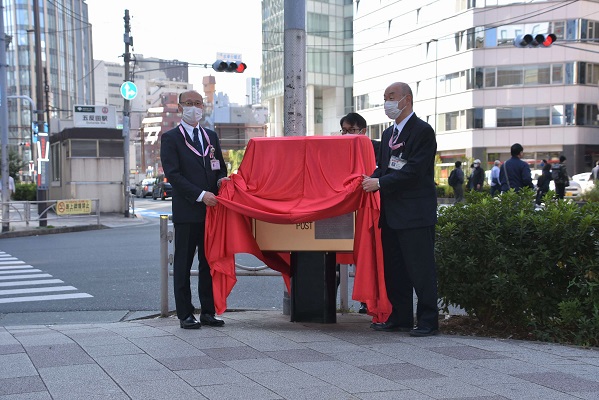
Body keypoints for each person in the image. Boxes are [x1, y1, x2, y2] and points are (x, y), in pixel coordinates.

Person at [362, 82, 438, 337]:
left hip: (416, 214)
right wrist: (369, 178)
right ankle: (400, 316)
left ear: (407, 99)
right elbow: (385, 167)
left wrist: (380, 182)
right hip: (392, 213)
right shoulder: (387, 134)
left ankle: (428, 320)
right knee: (396, 269)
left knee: (421, 269)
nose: (387, 103)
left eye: (391, 97)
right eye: (385, 98)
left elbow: (414, 170)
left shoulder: (422, 131)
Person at [160, 90, 228, 329]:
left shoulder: (210, 136)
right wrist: (201, 195)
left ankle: (208, 311)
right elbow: (174, 175)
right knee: (183, 264)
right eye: (189, 104)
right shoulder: (171, 138)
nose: (194, 108)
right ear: (180, 108)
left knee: (209, 263)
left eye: (198, 104)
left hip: (212, 212)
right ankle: (185, 313)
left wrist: (221, 181)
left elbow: (220, 166)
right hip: (188, 210)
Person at [339, 112, 377, 314]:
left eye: (351, 130)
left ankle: (367, 300)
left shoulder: (377, 148)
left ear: (363, 131)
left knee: (368, 255)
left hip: (368, 210)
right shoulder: (338, 150)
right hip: (345, 211)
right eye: (343, 130)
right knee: (339, 255)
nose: (346, 134)